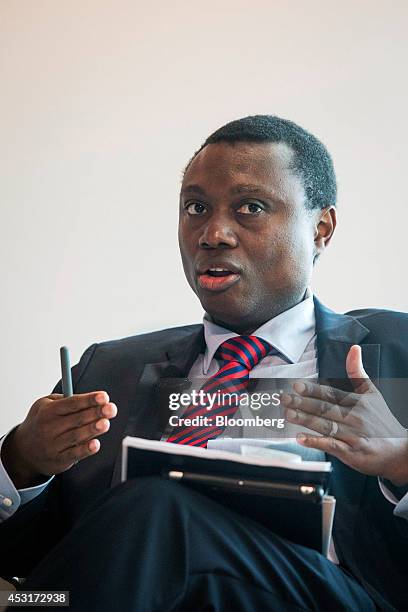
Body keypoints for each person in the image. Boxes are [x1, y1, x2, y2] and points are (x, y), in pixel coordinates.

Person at [0, 115, 407, 611]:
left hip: (329, 598)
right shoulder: (108, 371)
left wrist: (400, 459)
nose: (213, 234)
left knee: (158, 506)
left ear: (321, 228)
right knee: (38, 600)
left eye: (250, 208)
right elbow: (40, 574)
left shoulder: (395, 348)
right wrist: (20, 463)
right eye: (196, 207)